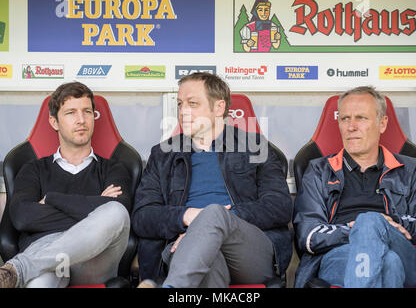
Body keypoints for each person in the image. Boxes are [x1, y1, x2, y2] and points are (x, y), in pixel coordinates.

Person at [132, 72, 292, 288]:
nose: (183, 111)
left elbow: (279, 207)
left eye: (192, 103)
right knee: (209, 260)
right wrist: (187, 217)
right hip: (184, 251)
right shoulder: (162, 155)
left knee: (214, 212)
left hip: (248, 254)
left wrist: (214, 222)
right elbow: (143, 217)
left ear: (218, 108)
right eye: (180, 104)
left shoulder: (256, 147)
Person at [293, 86, 416, 288]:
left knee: (371, 222)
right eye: (345, 118)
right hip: (340, 255)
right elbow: (309, 237)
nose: (351, 126)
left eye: (361, 118)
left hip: (404, 252)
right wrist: (362, 231)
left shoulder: (412, 168)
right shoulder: (319, 170)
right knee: (388, 263)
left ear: (382, 124)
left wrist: (382, 225)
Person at [0, 82, 131, 288]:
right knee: (39, 285)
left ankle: (18, 269)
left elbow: (118, 216)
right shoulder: (33, 169)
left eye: (87, 111)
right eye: (71, 113)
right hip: (47, 258)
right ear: (54, 122)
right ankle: (25, 269)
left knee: (115, 211)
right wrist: (93, 213)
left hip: (93, 262)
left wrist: (52, 199)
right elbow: (22, 218)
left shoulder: (114, 169)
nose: (81, 120)